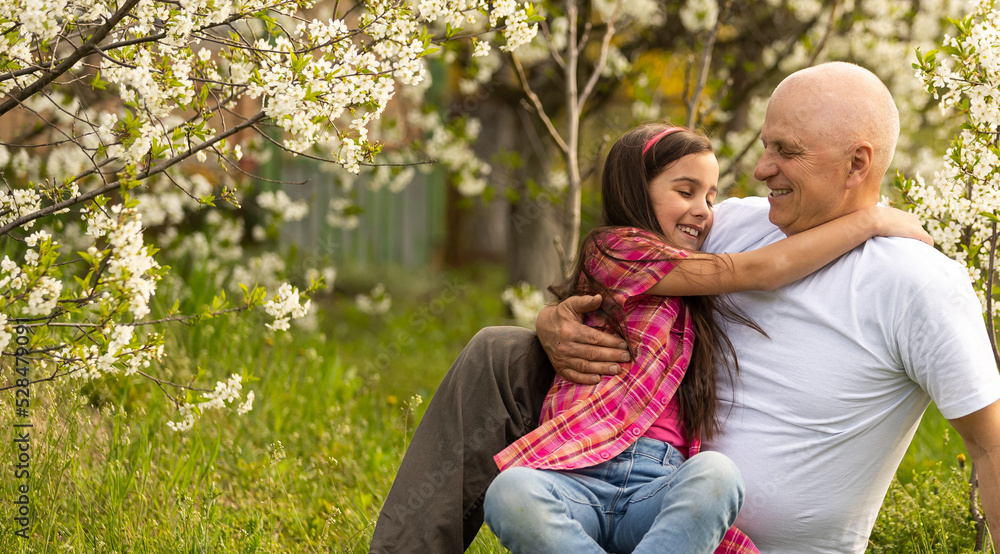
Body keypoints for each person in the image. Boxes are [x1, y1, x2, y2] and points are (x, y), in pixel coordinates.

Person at [369, 62, 1000, 553]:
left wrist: (873, 222)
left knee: (714, 478)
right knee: (497, 351)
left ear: (858, 161)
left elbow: (992, 449)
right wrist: (553, 320)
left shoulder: (918, 282)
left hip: (713, 514)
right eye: (763, 146)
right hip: (605, 482)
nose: (760, 168)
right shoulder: (734, 227)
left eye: (786, 151)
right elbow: (631, 271)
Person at [483, 123, 930, 554]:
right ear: (635, 191)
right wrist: (867, 221)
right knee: (511, 492)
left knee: (716, 475)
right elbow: (755, 270)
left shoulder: (690, 280)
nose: (703, 210)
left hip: (656, 487)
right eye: (685, 192)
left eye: (710, 197)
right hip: (576, 472)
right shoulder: (614, 249)